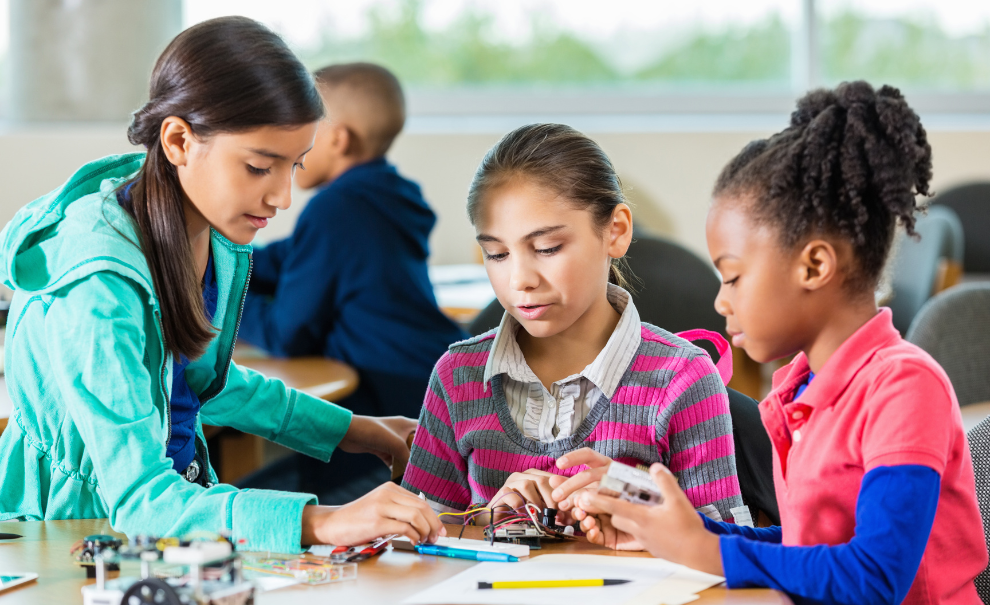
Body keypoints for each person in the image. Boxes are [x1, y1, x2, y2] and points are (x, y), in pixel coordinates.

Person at [0, 17, 442, 554]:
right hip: (74, 540)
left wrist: (360, 430)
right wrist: (326, 522)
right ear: (180, 140)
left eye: (295, 166)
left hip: (177, 523)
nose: (281, 197)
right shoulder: (98, 286)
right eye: (260, 167)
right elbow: (141, 499)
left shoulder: (211, 236)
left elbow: (208, 382)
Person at [562, 82, 986, 605]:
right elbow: (808, 550)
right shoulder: (802, 390)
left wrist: (706, 551)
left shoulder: (903, 387)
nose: (720, 301)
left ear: (813, 266)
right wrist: (670, 530)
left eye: (734, 278)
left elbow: (875, 577)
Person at [402, 123, 745, 523]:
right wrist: (485, 519)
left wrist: (631, 496)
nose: (520, 280)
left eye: (547, 248)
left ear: (615, 232)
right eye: (496, 254)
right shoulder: (457, 376)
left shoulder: (682, 379)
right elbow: (417, 537)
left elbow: (725, 544)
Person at [236, 62, 465, 502]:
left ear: (338, 138)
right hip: (428, 386)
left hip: (390, 411)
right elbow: (283, 261)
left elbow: (289, 333)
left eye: (303, 132)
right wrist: (212, 259)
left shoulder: (336, 209)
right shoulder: (389, 196)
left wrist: (214, 299)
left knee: (253, 498)